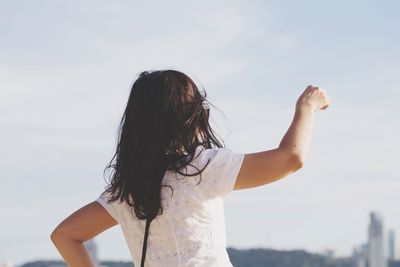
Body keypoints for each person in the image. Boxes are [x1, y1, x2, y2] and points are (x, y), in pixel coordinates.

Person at [50, 69, 330, 267]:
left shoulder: (128, 191)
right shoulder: (202, 168)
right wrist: (306, 106)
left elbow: (65, 235)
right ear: (191, 119)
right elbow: (291, 158)